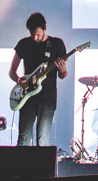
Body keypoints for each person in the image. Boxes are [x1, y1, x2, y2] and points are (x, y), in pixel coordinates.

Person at [9, 12, 67, 146]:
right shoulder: (24, 44)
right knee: (24, 138)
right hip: (27, 97)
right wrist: (19, 81)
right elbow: (12, 71)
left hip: (47, 98)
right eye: (32, 34)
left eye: (38, 34)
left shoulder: (57, 44)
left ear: (45, 28)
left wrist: (62, 69)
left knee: (43, 140)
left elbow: (62, 76)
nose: (35, 38)